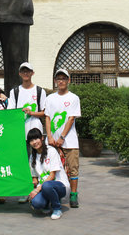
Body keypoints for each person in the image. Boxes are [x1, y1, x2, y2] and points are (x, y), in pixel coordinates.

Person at [8, 62, 47, 203]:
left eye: (28, 71)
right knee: (24, 161)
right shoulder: (14, 92)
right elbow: (11, 112)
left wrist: (31, 113)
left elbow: (44, 112)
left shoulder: (40, 91)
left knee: (37, 159)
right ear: (19, 73)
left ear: (32, 73)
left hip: (35, 131)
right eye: (23, 71)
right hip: (20, 131)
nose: (26, 73)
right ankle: (25, 190)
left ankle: (39, 188)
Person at [44, 69, 81, 208]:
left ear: (68, 80)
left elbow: (71, 119)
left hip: (69, 141)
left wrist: (62, 137)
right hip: (53, 142)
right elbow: (47, 118)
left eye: (64, 78)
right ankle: (55, 194)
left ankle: (73, 194)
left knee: (72, 168)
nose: (61, 81)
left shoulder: (73, 98)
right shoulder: (50, 98)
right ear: (55, 81)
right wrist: (49, 136)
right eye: (58, 79)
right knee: (54, 168)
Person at [27, 128, 69, 220]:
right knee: (36, 203)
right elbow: (34, 178)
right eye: (31, 140)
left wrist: (37, 190)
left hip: (60, 186)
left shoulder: (51, 151)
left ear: (42, 138)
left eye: (36, 138)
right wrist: (31, 186)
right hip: (43, 188)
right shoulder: (32, 157)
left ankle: (57, 208)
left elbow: (52, 176)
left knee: (46, 185)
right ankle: (47, 203)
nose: (34, 142)